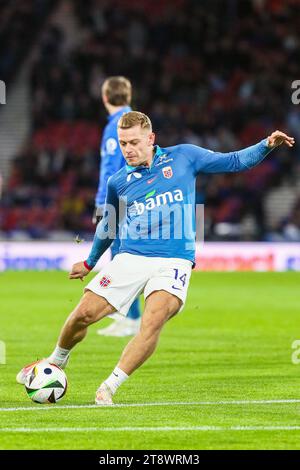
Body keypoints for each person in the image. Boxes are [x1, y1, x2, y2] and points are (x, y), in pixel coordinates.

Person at [16, 112, 294, 405]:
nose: (128, 149)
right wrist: (90, 262)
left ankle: (108, 388)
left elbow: (235, 161)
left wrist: (266, 144)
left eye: (134, 142)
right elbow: (108, 225)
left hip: (175, 260)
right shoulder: (118, 182)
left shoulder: (185, 156)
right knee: (83, 315)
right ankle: (57, 359)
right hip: (131, 258)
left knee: (152, 320)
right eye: (123, 143)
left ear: (151, 139)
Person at [93, 76, 141, 337]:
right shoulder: (135, 120)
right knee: (121, 258)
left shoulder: (117, 125)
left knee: (121, 259)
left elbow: (111, 168)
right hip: (132, 197)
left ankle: (131, 319)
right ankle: (129, 317)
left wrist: (103, 202)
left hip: (119, 199)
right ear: (128, 95)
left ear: (105, 97)